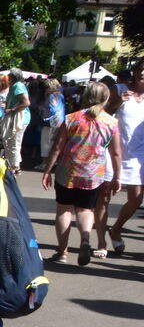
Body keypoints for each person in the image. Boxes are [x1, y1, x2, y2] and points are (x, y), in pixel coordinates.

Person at [41, 81, 122, 265]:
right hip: (93, 174)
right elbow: (115, 153)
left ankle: (62, 252)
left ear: (86, 96)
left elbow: (57, 147)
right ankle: (85, 239)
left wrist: (47, 170)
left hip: (67, 171)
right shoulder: (111, 122)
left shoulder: (71, 118)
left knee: (64, 210)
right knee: (86, 210)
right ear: (106, 98)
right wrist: (118, 176)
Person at [108, 61, 144, 255]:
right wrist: (118, 101)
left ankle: (116, 229)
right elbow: (102, 113)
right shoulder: (120, 89)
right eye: (139, 70)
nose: (142, 73)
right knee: (103, 197)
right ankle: (96, 241)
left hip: (140, 154)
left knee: (136, 199)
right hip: (116, 151)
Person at [0, 68, 30, 175]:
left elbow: (26, 102)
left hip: (19, 118)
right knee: (13, 141)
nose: (8, 77)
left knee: (13, 141)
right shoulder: (16, 85)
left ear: (13, 77)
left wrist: (11, 109)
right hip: (17, 117)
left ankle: (14, 167)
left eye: (9, 75)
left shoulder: (18, 85)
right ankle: (15, 165)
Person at [39, 78, 65, 159]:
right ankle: (51, 162)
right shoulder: (61, 95)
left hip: (50, 121)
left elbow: (52, 109)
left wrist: (42, 108)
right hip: (60, 121)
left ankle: (44, 162)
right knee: (54, 143)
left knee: (46, 143)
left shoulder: (51, 96)